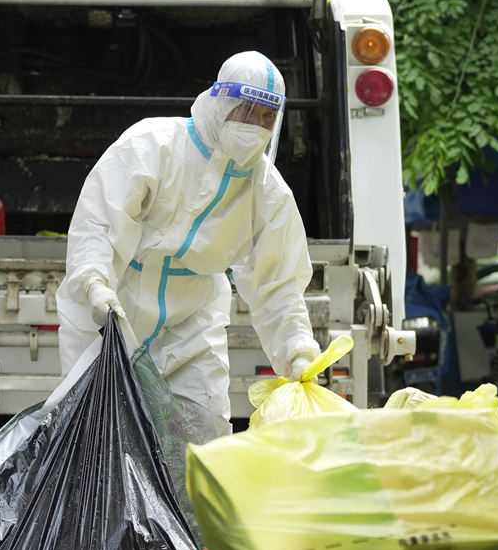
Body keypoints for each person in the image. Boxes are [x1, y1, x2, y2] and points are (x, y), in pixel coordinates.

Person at [57, 50, 321, 427]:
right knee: (96, 437)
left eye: (267, 117)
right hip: (113, 311)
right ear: (220, 101)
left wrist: (296, 347)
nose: (256, 125)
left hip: (192, 325)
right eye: (246, 110)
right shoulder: (153, 145)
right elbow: (98, 222)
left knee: (202, 437)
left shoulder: (267, 191)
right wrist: (94, 284)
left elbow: (277, 282)